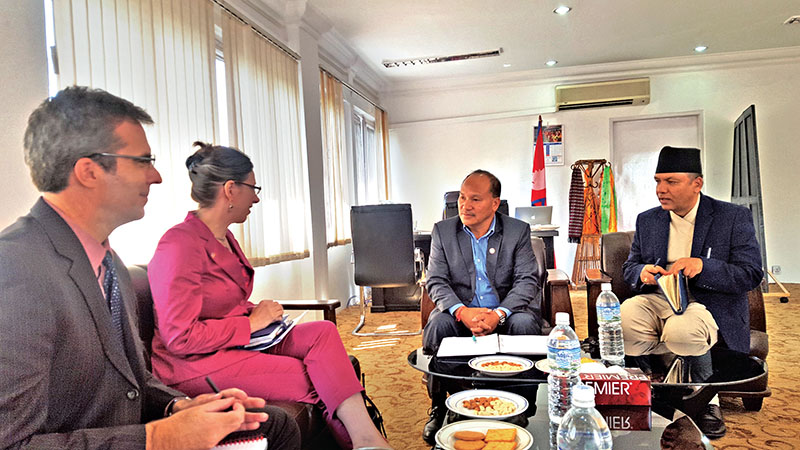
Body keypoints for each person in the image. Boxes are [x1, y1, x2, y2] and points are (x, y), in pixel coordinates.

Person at [0, 86, 301, 449]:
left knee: (274, 424)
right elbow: (14, 444)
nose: (156, 176)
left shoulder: (108, 262)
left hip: (134, 433)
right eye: (143, 161)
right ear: (89, 171)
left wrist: (180, 406)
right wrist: (157, 437)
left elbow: (133, 382)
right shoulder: (16, 270)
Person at [147, 142, 390, 450]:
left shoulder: (224, 237)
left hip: (236, 341)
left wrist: (257, 312)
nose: (257, 197)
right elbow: (179, 338)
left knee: (323, 331)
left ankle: (368, 440)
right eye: (253, 187)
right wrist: (250, 324)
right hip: (194, 364)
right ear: (231, 189)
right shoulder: (178, 246)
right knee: (308, 377)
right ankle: (362, 443)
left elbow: (221, 302)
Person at [620, 146, 763, 439]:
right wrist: (642, 272)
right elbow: (630, 266)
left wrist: (703, 266)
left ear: (697, 183)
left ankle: (704, 400)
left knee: (682, 328)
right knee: (626, 316)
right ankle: (653, 389)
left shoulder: (732, 217)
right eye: (658, 181)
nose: (661, 189)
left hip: (707, 302)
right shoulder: (648, 220)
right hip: (659, 297)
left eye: (671, 181)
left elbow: (751, 273)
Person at [421, 169, 543, 444]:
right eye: (462, 198)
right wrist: (462, 312)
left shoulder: (516, 231)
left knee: (524, 324)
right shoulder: (443, 231)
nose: (465, 205)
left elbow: (526, 281)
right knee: (438, 325)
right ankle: (441, 404)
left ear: (495, 203)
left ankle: (522, 405)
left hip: (505, 310)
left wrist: (498, 314)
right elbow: (436, 281)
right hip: (461, 311)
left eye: (475, 199)